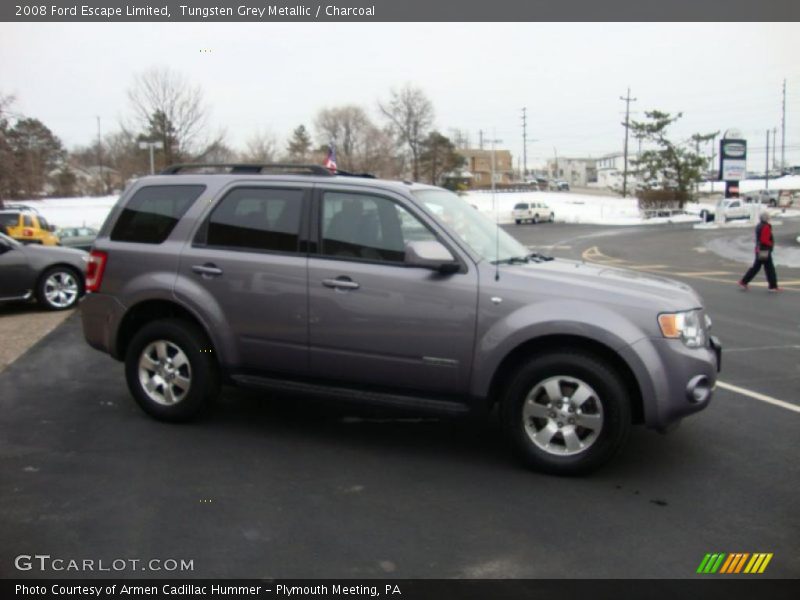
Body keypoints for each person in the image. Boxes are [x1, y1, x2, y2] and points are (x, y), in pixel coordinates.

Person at [738, 211, 782, 292]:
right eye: (768, 217)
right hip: (764, 250)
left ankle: (744, 281)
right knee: (769, 268)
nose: (769, 218)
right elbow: (764, 240)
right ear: (766, 218)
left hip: (759, 249)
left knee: (757, 267)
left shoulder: (759, 225)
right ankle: (772, 286)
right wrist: (770, 244)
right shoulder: (765, 227)